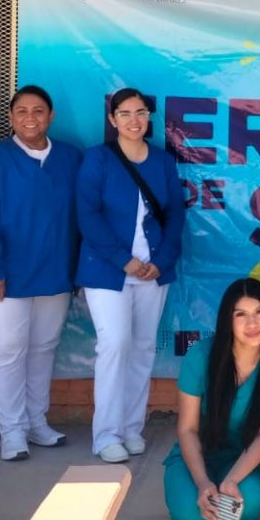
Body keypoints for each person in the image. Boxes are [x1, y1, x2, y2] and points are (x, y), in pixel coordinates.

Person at [0, 85, 83, 461]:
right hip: (3, 279)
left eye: (38, 111)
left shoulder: (69, 158)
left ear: (51, 116)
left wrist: (77, 270)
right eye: (21, 111)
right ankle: (12, 431)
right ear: (10, 117)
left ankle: (36, 422)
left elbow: (81, 217)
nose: (30, 118)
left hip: (54, 275)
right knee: (7, 353)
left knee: (43, 350)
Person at [78, 88, 186, 464]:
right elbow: (87, 214)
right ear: (112, 119)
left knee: (142, 348)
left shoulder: (162, 162)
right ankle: (106, 434)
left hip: (153, 271)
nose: (133, 120)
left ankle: (130, 428)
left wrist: (163, 259)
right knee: (115, 344)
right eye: (124, 113)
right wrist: (122, 259)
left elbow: (176, 215)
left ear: (149, 117)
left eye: (140, 112)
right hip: (108, 270)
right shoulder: (98, 159)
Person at [164, 278, 260, 520]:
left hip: (247, 458)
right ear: (227, 320)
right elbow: (187, 428)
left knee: (244, 499)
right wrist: (202, 482)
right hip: (200, 454)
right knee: (188, 512)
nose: (252, 323)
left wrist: (232, 480)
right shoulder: (201, 356)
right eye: (240, 314)